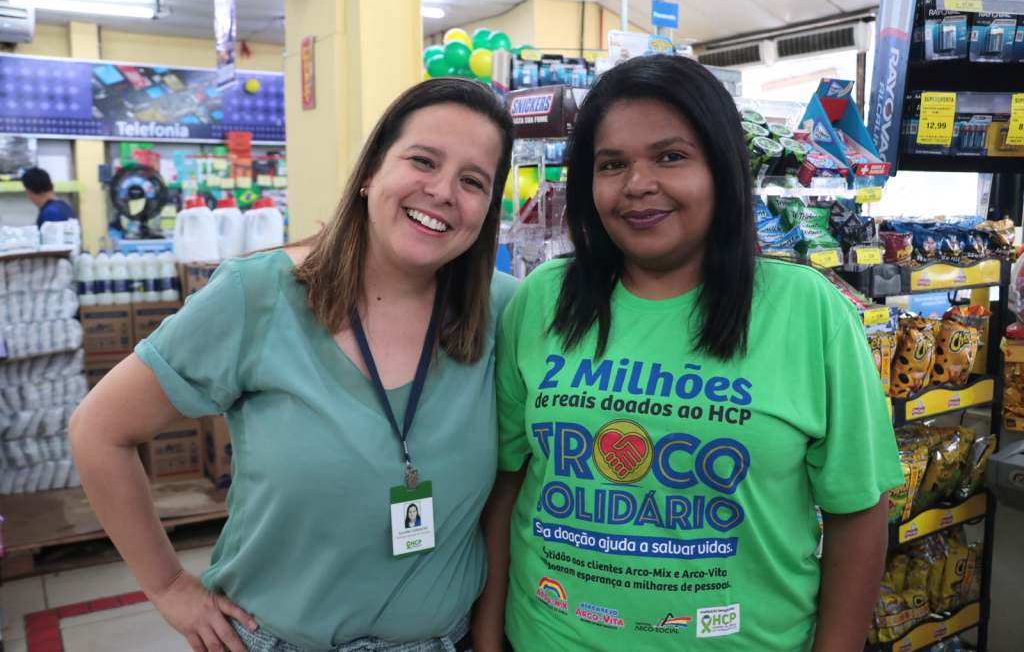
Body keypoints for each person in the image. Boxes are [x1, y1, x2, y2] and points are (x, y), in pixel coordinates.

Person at [70, 77, 518, 652]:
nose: (442, 190)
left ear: (487, 210)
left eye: (473, 181)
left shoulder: (501, 313)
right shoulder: (257, 294)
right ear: (369, 172)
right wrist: (168, 586)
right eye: (423, 160)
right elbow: (98, 431)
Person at [474, 56, 904, 652]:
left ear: (723, 169)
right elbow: (505, 486)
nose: (638, 184)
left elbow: (859, 511)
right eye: (611, 164)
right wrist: (489, 638)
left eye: (671, 156)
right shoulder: (544, 297)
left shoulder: (807, 310)